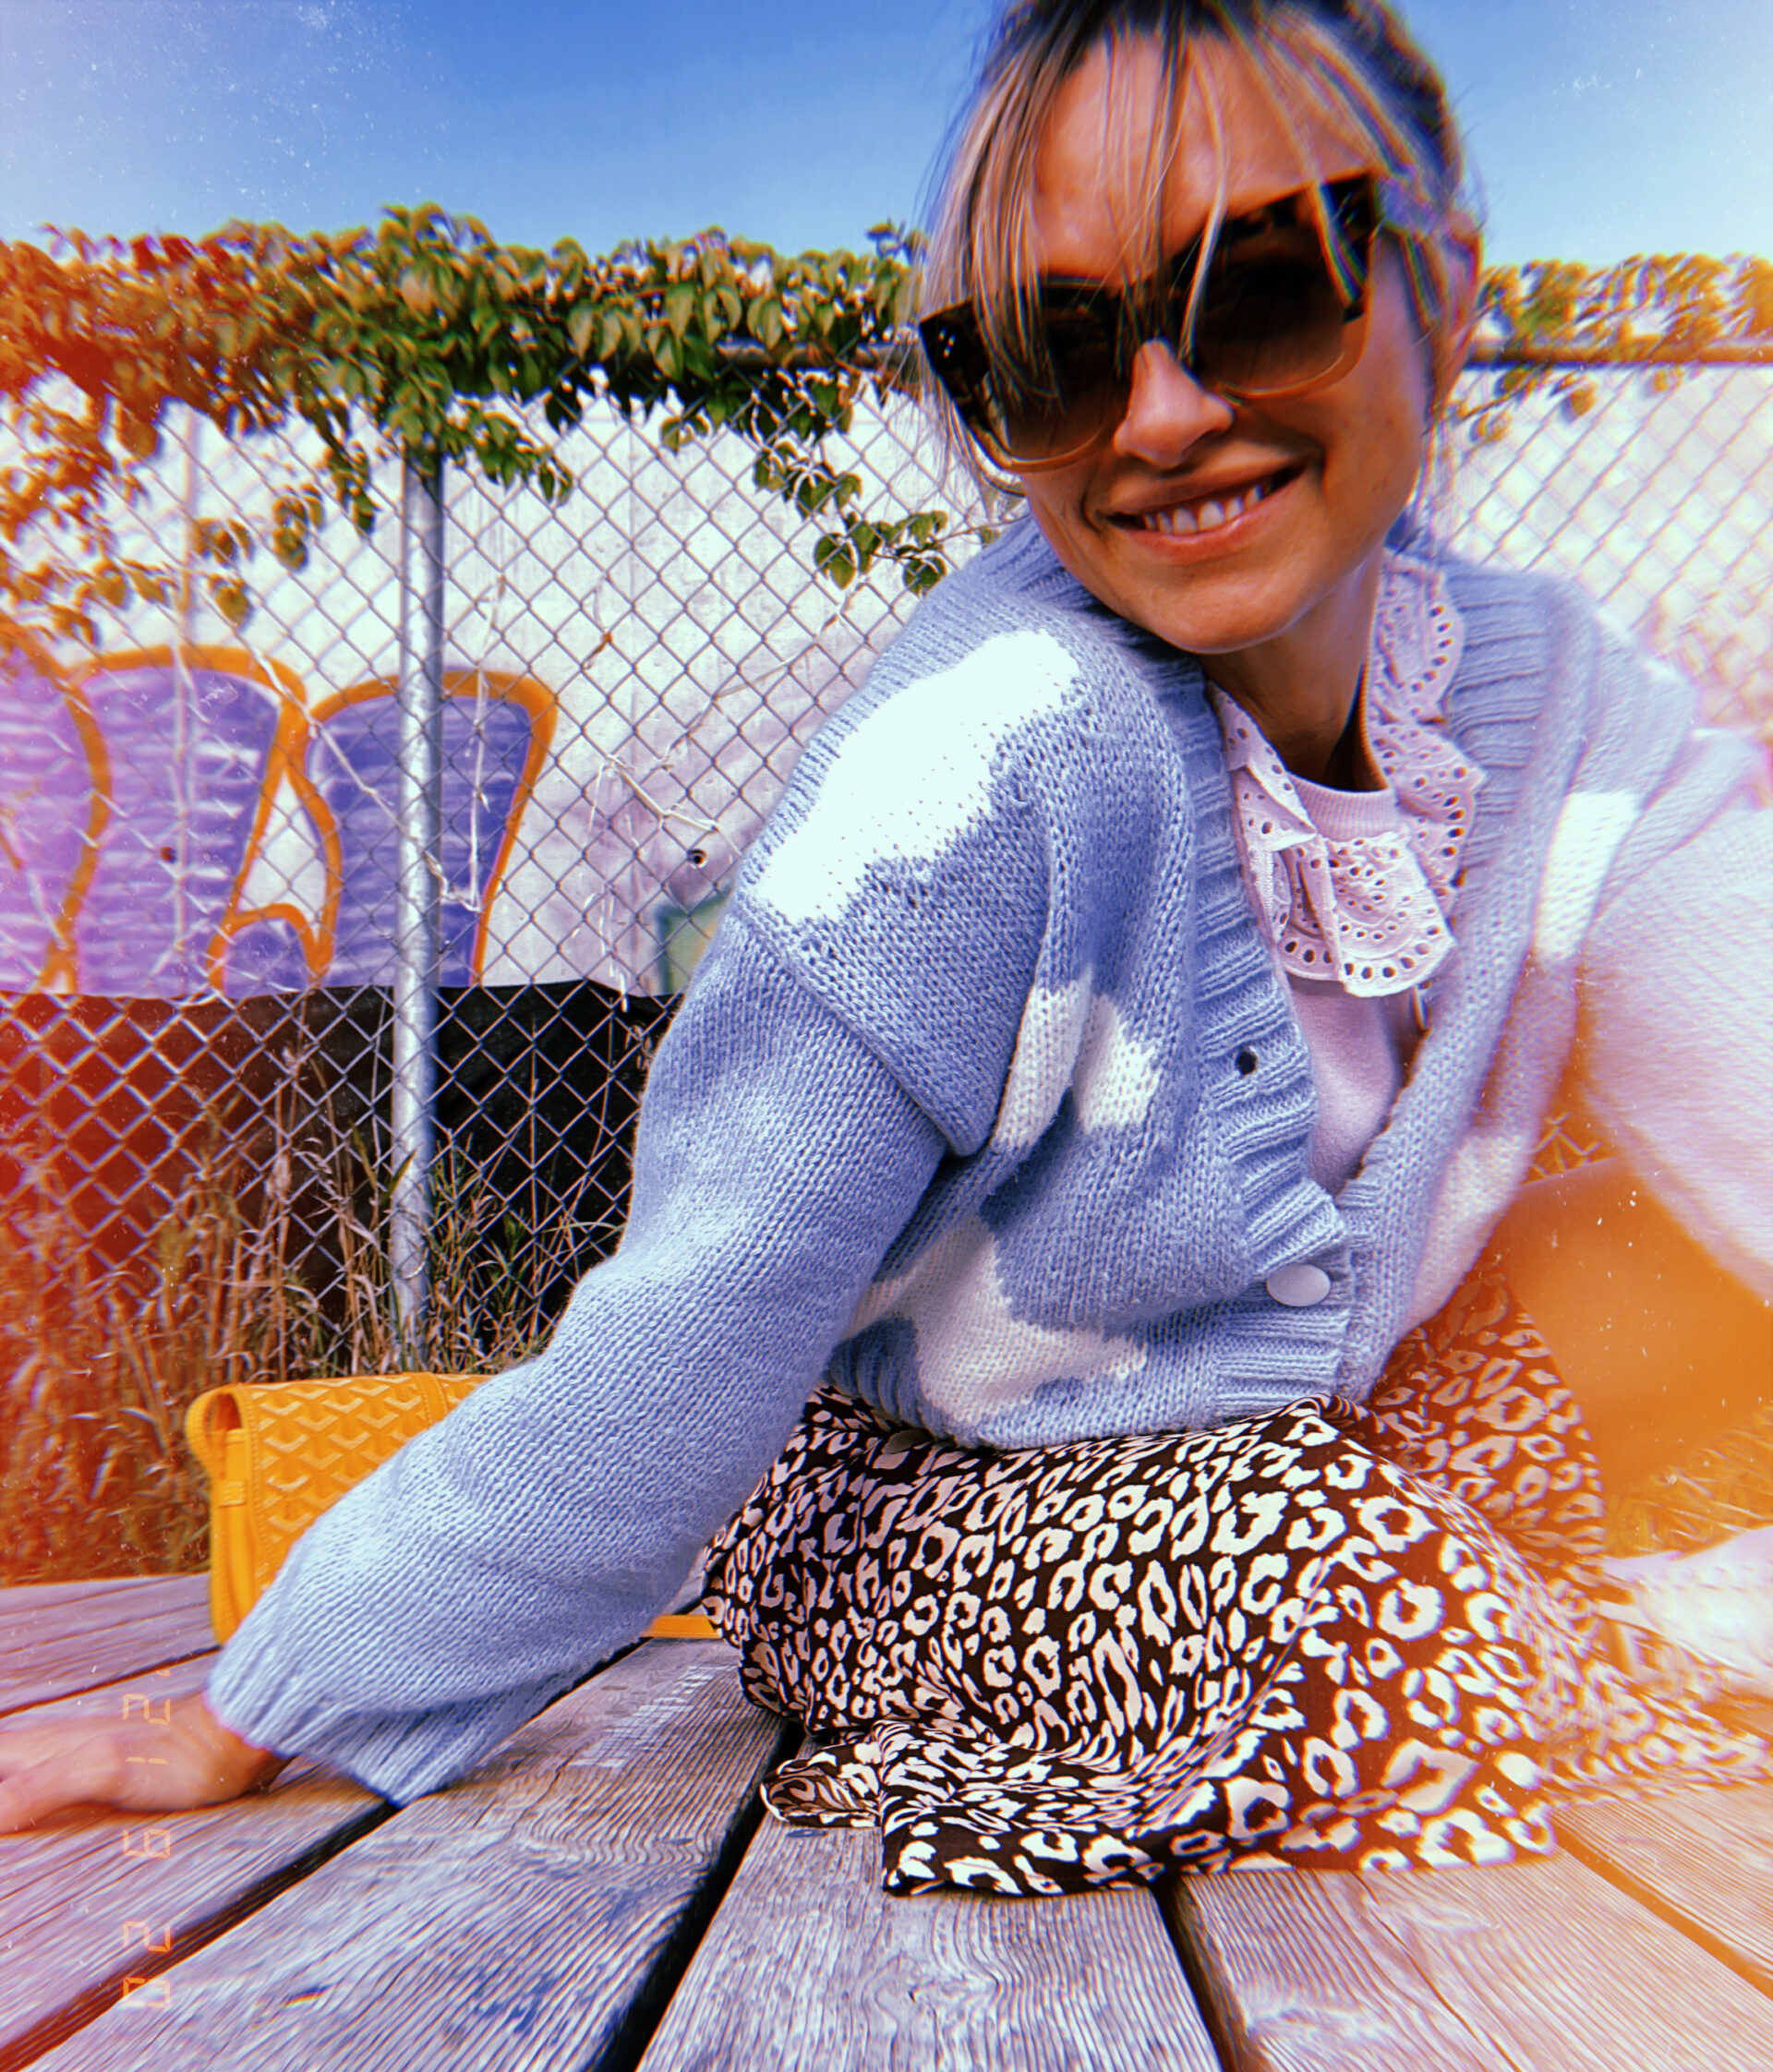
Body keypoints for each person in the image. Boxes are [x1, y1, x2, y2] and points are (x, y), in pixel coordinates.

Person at [3, 0, 1768, 1889]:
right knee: (1381, 1612)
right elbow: (694, 1324)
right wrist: (251, 1708)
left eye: (1262, 286)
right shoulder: (983, 759)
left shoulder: (1568, 706)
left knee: (1637, 1306)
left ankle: (1501, 1629)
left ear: (1445, 283)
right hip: (910, 1507)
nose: (1162, 417)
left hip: (1324, 1428)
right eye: (1049, 353)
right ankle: (1504, 1658)